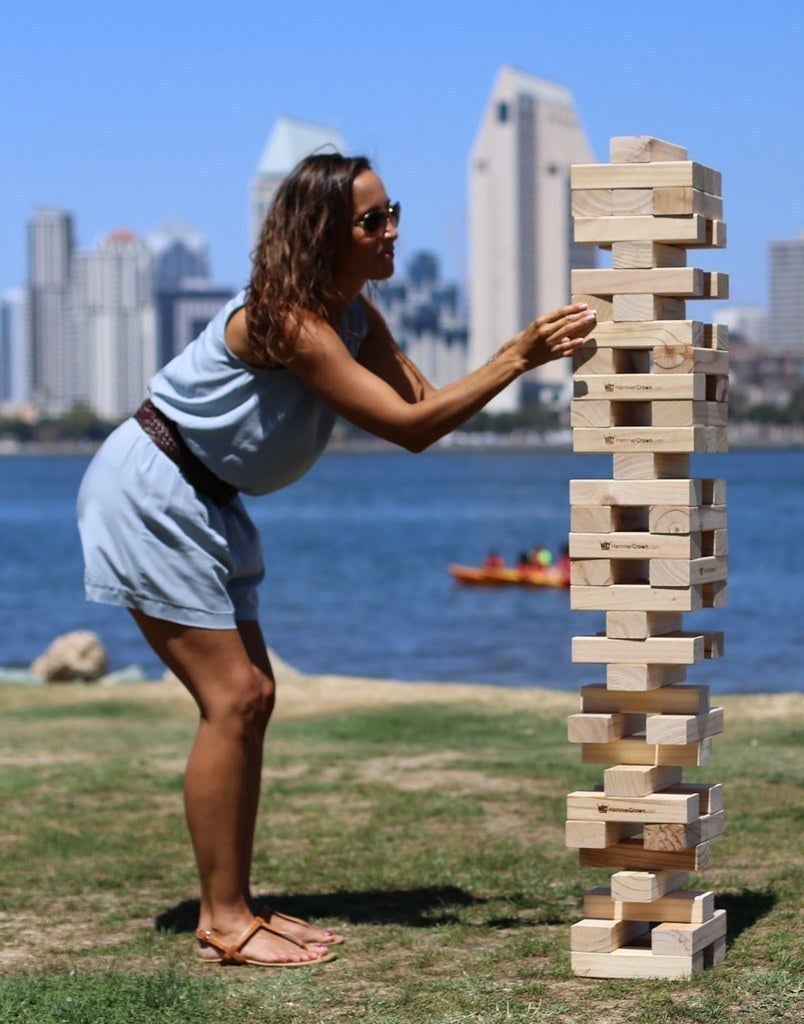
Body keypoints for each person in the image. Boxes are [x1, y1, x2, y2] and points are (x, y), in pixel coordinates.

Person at [76, 153, 596, 968]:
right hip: (153, 487)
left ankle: (235, 903)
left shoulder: (353, 317)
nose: (391, 231)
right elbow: (410, 429)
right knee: (236, 697)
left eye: (394, 213)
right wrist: (516, 357)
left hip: (207, 497)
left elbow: (423, 406)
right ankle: (222, 919)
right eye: (370, 221)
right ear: (323, 233)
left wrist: (513, 360)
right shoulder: (288, 320)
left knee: (254, 697)